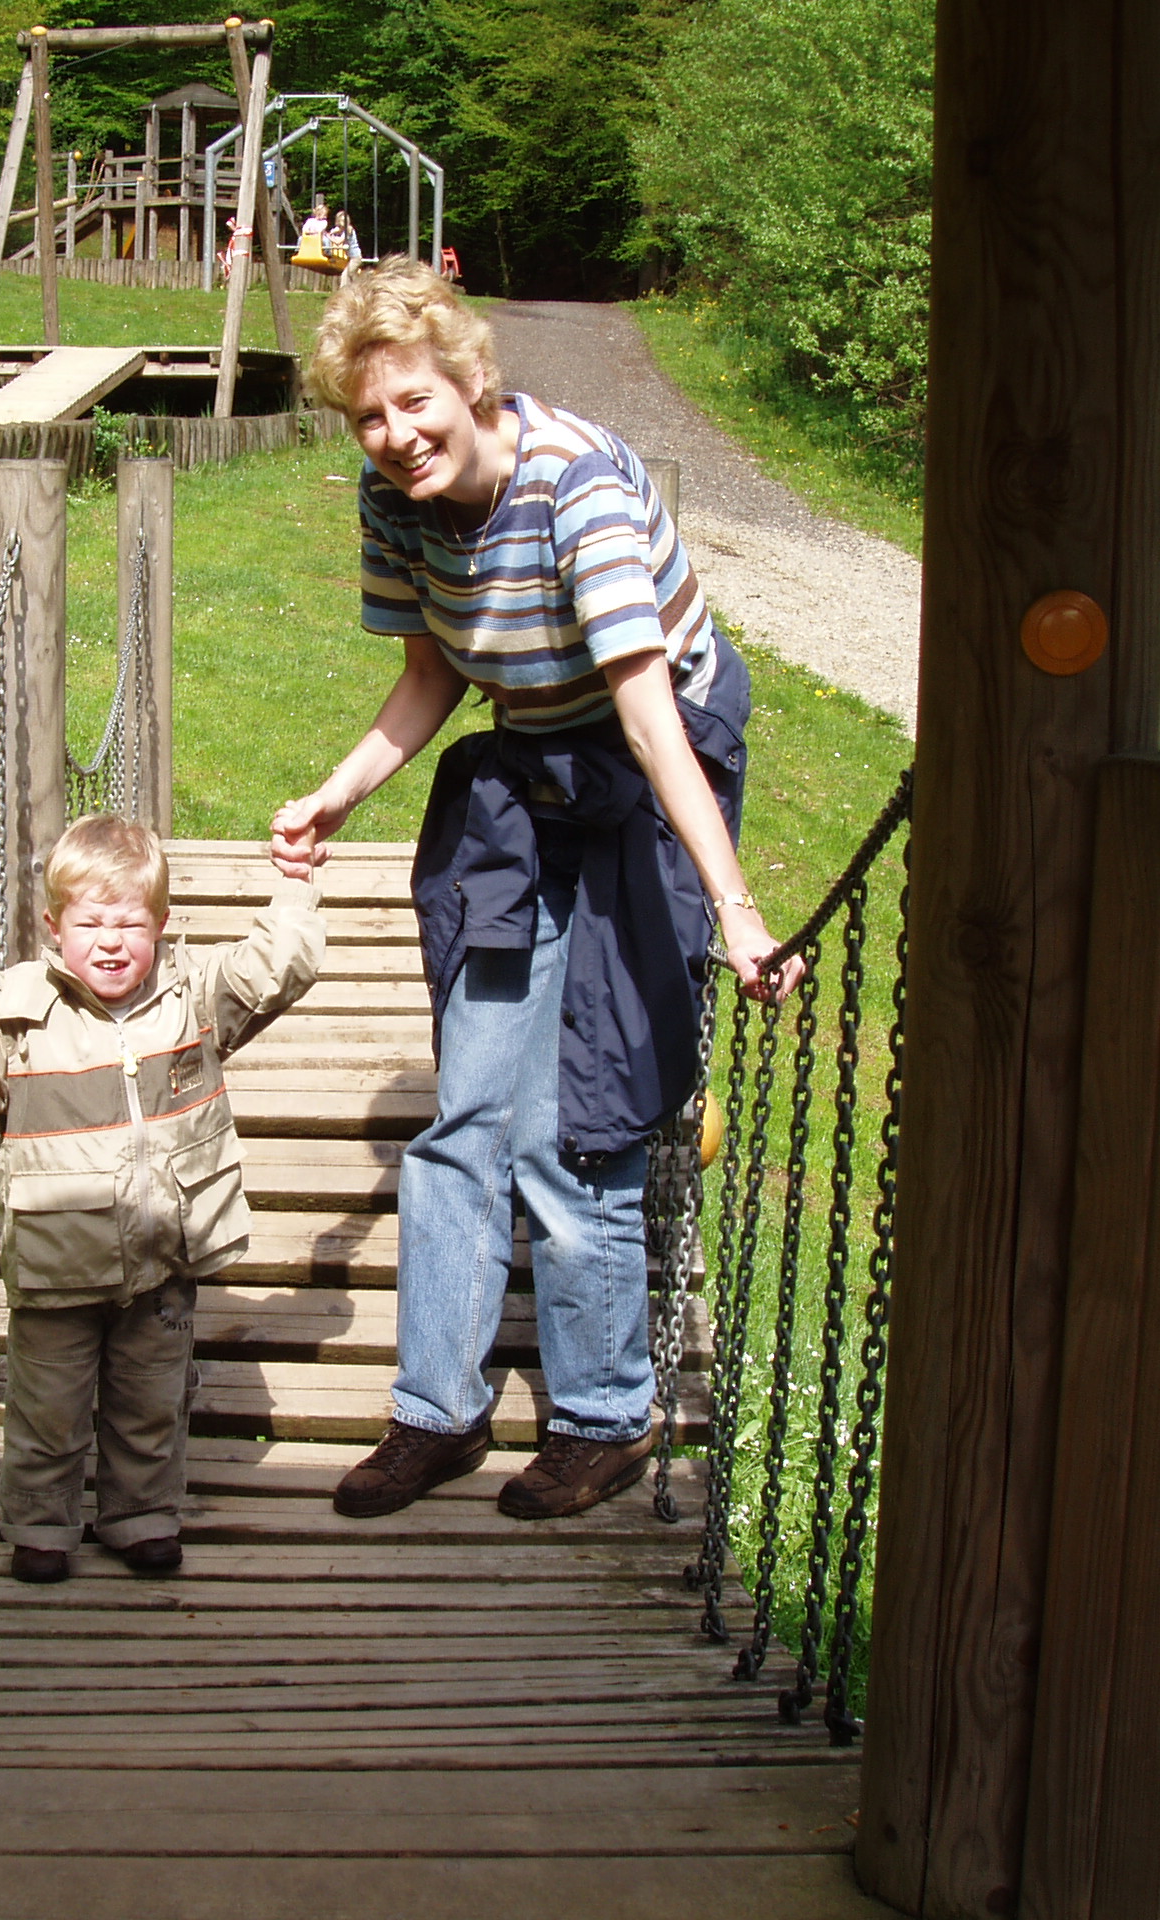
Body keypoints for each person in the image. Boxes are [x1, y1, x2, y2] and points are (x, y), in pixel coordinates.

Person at [268, 260, 800, 1525]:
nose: (396, 435)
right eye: (368, 416)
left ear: (470, 381)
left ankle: (603, 1418)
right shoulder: (395, 498)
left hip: (652, 752)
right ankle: (435, 1414)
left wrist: (734, 911)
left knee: (577, 1112)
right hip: (530, 761)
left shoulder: (575, 487)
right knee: (465, 1110)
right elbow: (433, 675)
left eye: (414, 401)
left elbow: (650, 719)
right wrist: (338, 793)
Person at [0, 816, 323, 1583]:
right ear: (53, 927)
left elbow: (274, 970)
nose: (110, 943)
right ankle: (42, 1526)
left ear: (161, 924)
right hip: (57, 1266)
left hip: (161, 1258)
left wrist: (296, 885)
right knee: (48, 1409)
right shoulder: (18, 1016)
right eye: (90, 924)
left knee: (152, 1402)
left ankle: (141, 1516)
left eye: (130, 924)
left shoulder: (191, 999)